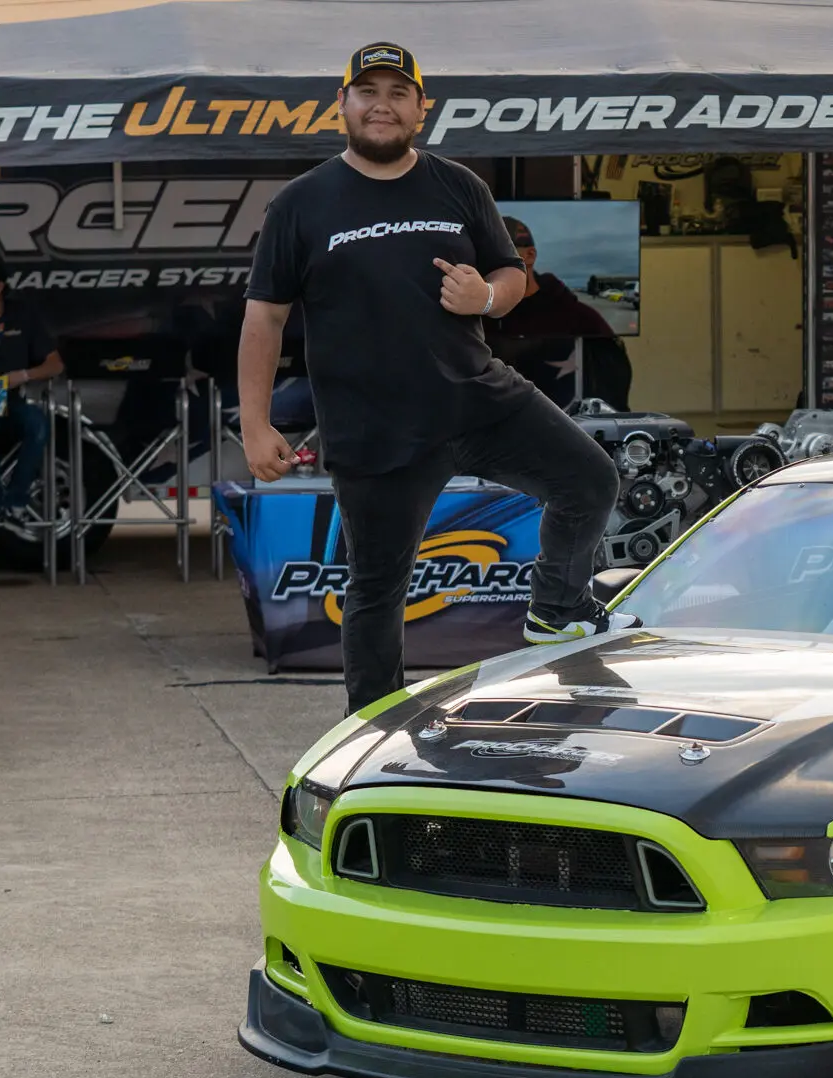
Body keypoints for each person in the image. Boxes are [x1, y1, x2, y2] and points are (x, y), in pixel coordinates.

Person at [237, 42, 634, 716]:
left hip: (478, 400)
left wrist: (487, 295)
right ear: (342, 104)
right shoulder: (300, 204)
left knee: (589, 479)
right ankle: (372, 729)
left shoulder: (459, 185)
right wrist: (255, 423)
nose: (382, 105)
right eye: (368, 92)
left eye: (399, 93)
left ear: (422, 109)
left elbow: (509, 275)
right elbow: (264, 319)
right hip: (374, 430)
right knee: (376, 588)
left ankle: (558, 609)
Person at [489, 216, 632, 411]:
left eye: (502, 250)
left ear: (530, 255)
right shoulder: (475, 315)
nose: (490, 261)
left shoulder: (578, 316)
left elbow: (613, 388)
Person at [0, 249, 65, 539]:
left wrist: (21, 376)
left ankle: (16, 503)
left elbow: (55, 365)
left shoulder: (22, 315)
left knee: (38, 424)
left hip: (11, 399)